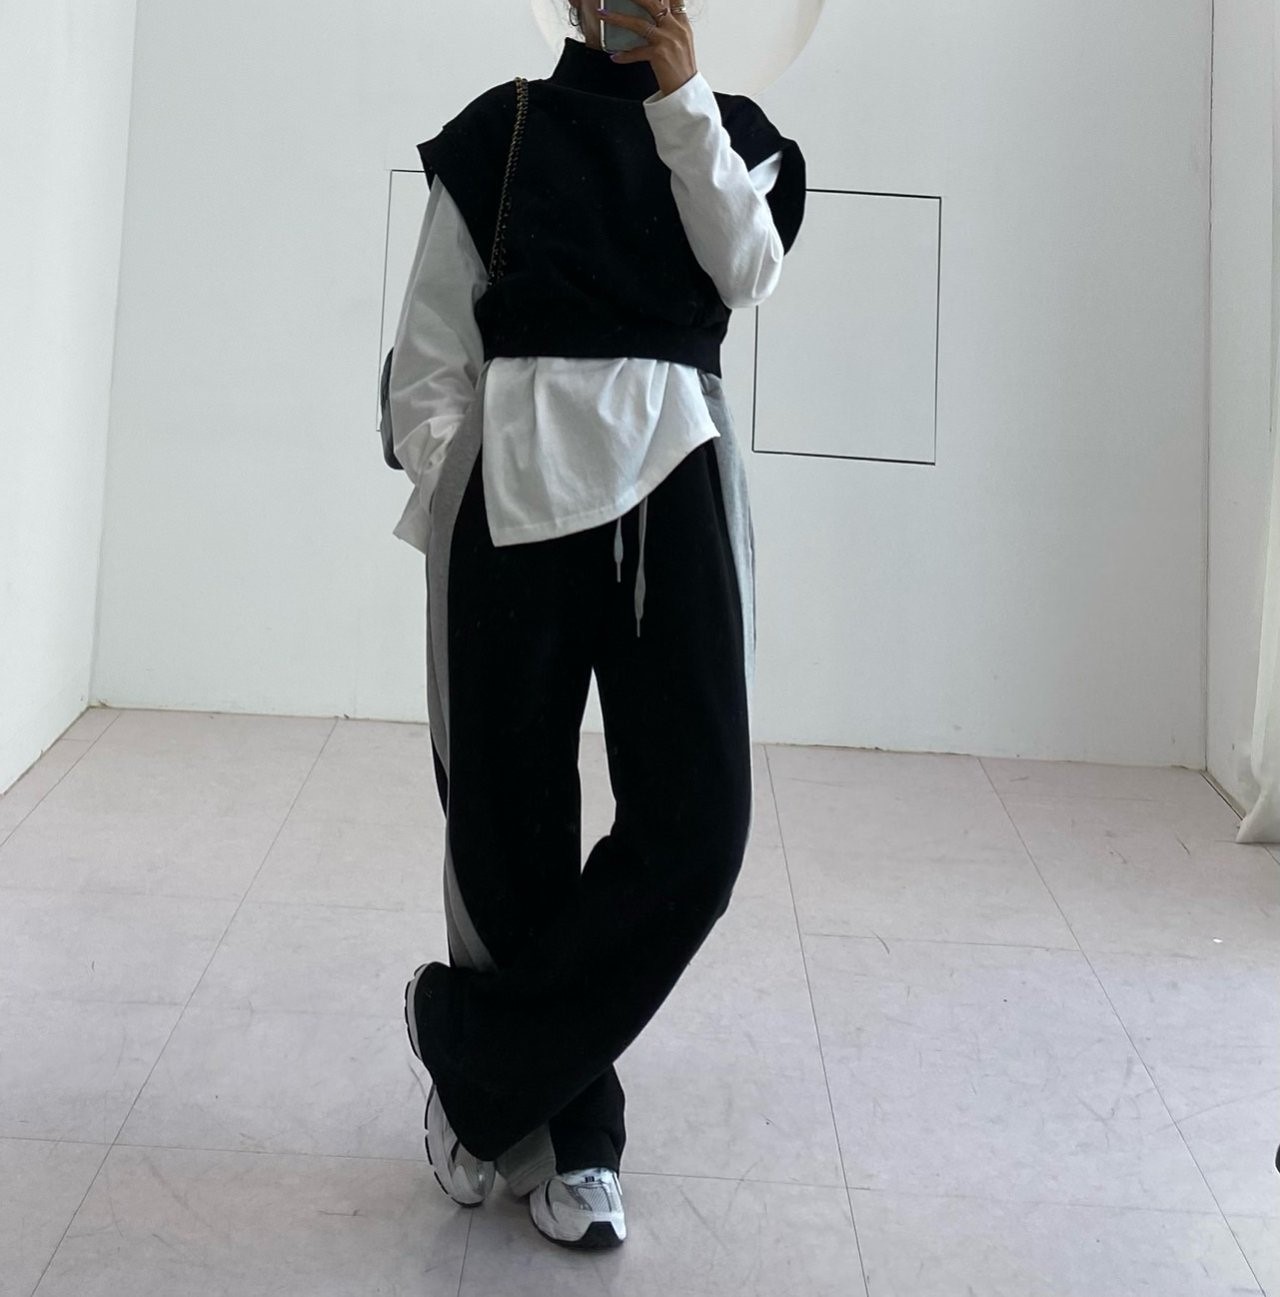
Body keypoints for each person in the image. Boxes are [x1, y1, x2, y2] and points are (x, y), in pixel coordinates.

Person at [392, 0, 806, 1251]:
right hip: (508, 488)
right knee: (506, 820)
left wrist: (680, 104)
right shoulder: (497, 134)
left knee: (697, 827)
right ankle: (568, 1137)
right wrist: (454, 474)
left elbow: (745, 270)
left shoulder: (735, 133)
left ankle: (477, 1067)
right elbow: (427, 349)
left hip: (675, 484)